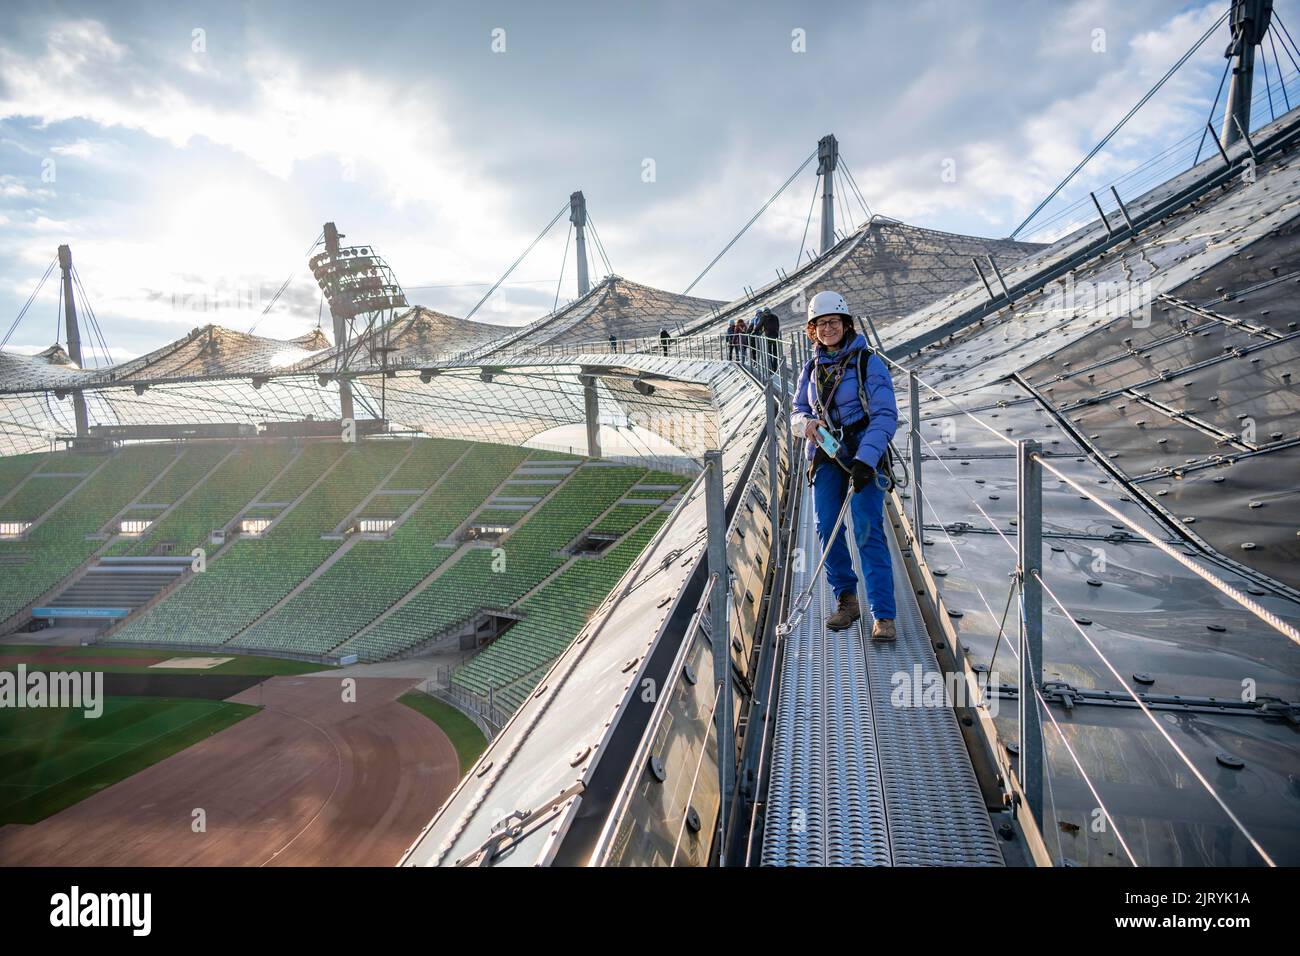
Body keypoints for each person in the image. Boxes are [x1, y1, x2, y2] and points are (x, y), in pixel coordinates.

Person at [790, 290, 899, 640]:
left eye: (833, 322)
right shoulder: (811, 369)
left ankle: (883, 615)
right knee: (827, 526)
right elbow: (796, 411)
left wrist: (866, 461)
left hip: (863, 453)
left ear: (846, 324)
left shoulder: (869, 362)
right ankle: (846, 599)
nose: (827, 329)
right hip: (826, 453)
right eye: (820, 324)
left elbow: (884, 415)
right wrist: (806, 424)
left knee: (867, 528)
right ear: (813, 330)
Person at [760, 306, 781, 373]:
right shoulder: (775, 316)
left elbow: (759, 326)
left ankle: (771, 369)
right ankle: (775, 368)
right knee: (775, 353)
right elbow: (778, 325)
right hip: (775, 337)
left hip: (768, 337)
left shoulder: (764, 318)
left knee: (769, 353)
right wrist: (777, 332)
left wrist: (754, 331)